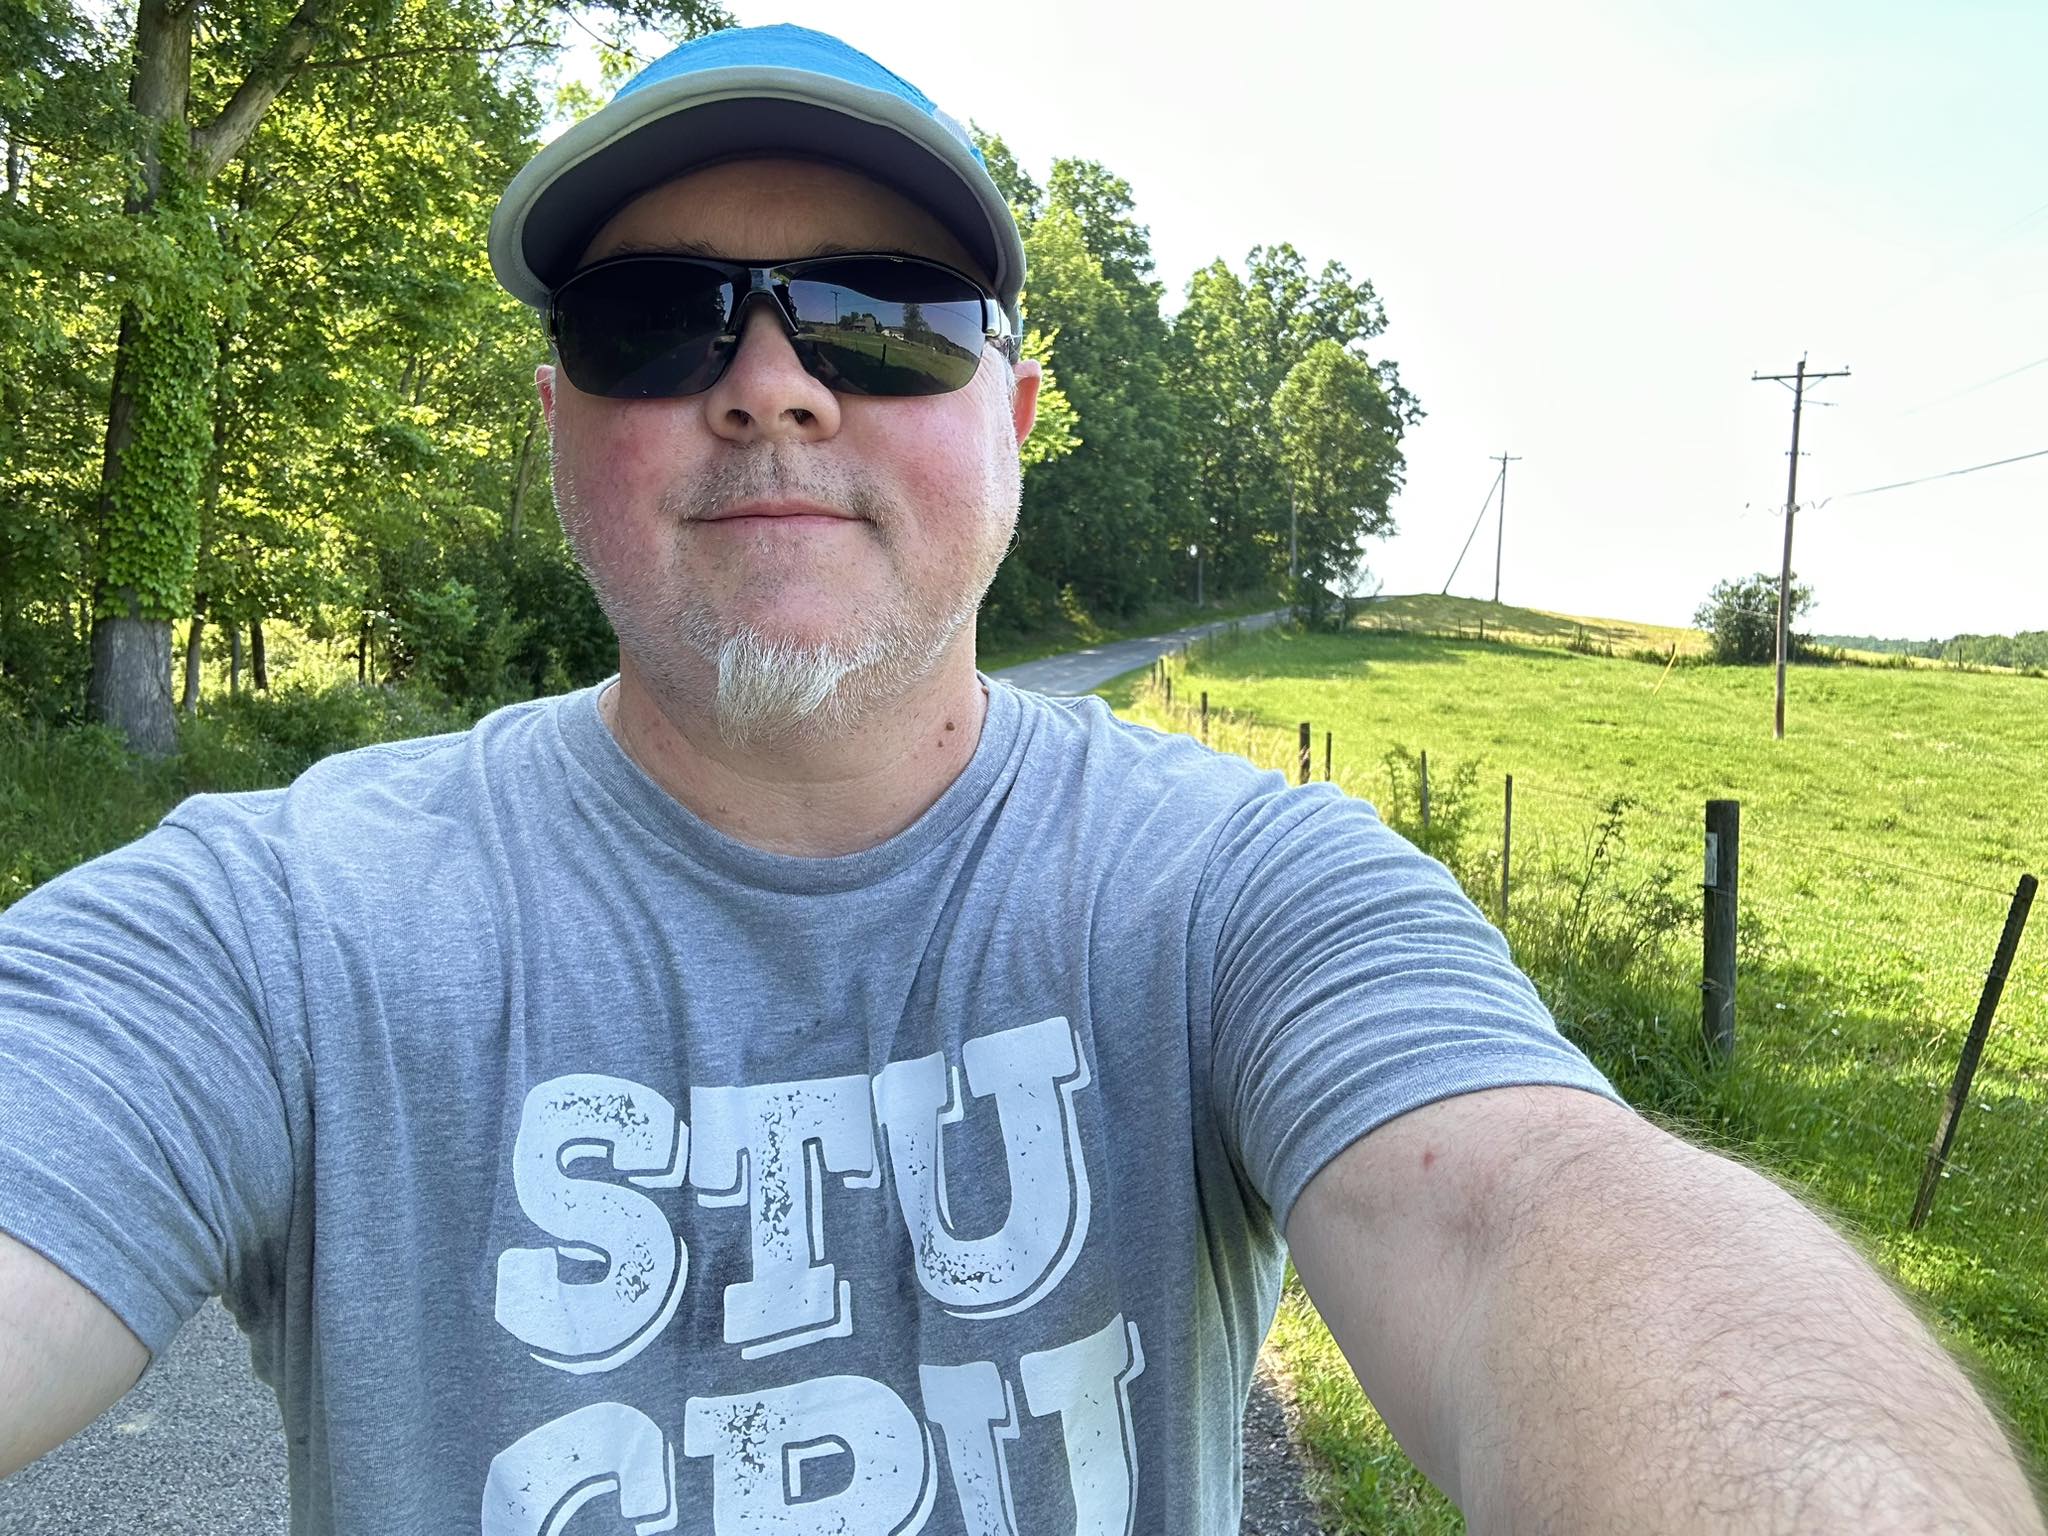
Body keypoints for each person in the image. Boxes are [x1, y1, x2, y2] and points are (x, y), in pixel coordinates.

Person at [0, 22, 2040, 1535]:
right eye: (656, 321)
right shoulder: (274, 926)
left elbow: (1528, 1214)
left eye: (881, 320)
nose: (770, 383)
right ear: (560, 423)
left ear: (1019, 417)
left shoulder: (1240, 891)